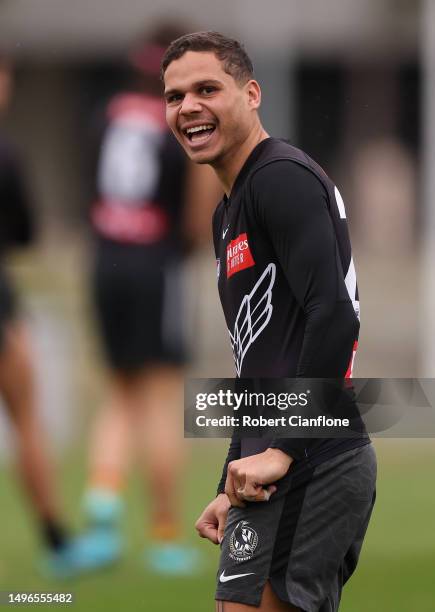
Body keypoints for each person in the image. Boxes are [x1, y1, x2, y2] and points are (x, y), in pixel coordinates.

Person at [162, 32, 377, 611]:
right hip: (278, 456)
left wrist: (281, 448)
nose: (188, 108)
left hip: (315, 456)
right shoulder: (229, 209)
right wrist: (228, 481)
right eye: (174, 96)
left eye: (207, 89)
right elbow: (257, 361)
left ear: (251, 93)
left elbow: (332, 317)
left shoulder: (279, 178)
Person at [67, 26, 220, 576]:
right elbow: (198, 206)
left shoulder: (108, 113)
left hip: (105, 259)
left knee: (118, 390)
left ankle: (102, 516)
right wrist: (195, 243)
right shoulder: (179, 119)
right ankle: (162, 535)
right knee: (159, 397)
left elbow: (87, 186)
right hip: (157, 266)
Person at [0, 53, 70, 568]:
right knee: (26, 418)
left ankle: (57, 540)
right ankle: (56, 542)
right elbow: (25, 234)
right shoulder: (6, 154)